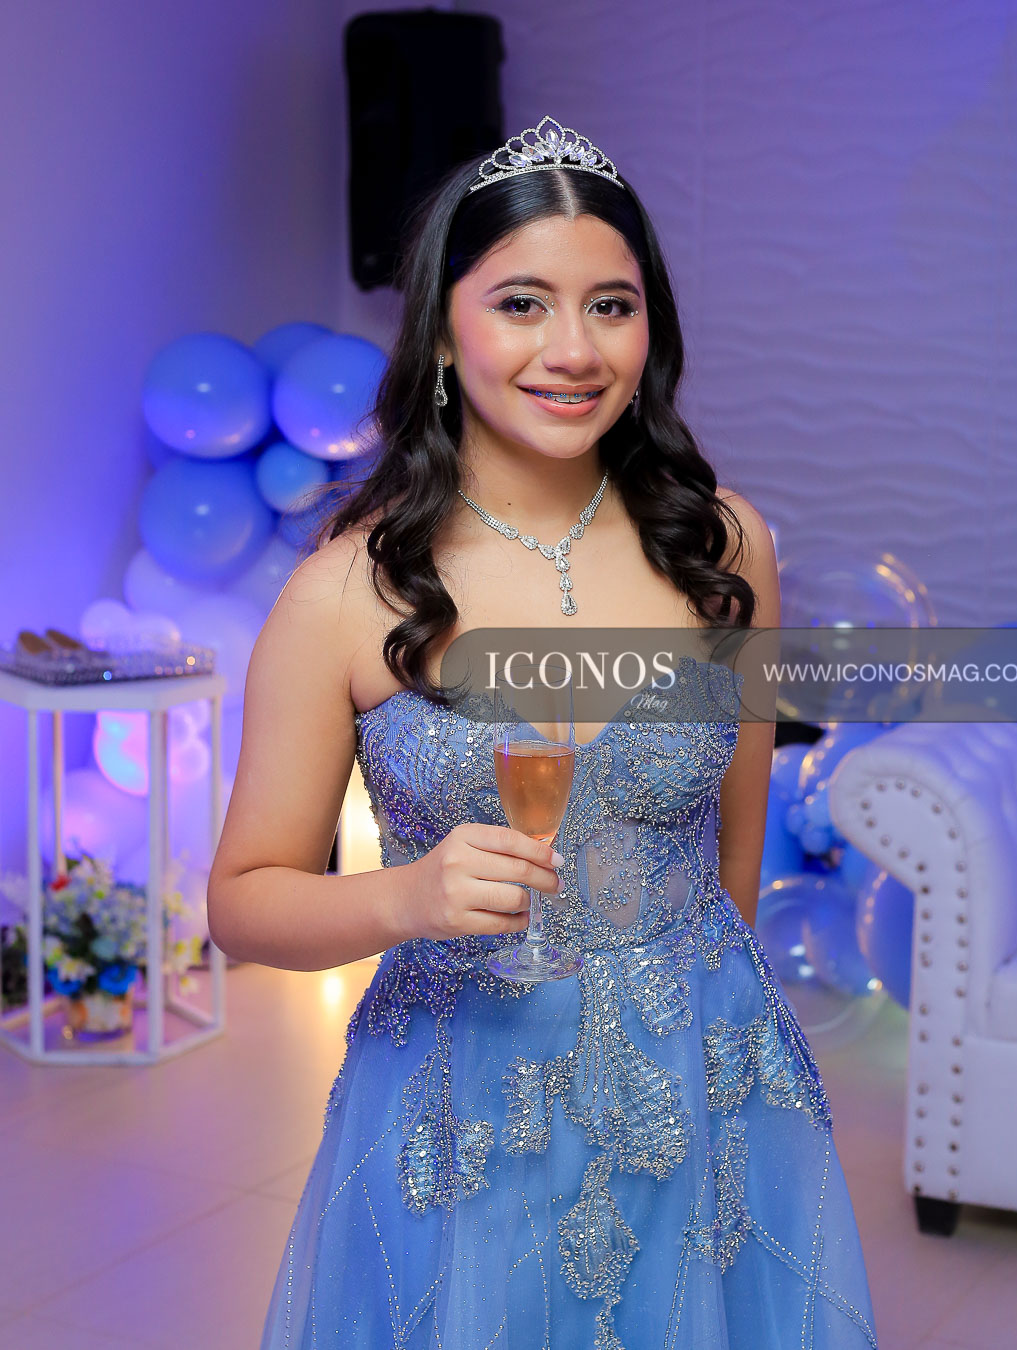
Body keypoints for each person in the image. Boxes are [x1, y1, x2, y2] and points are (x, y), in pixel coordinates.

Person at [208, 116, 878, 1349]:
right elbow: (243, 902)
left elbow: (735, 851)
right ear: (443, 330)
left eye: (611, 307)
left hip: (702, 1085)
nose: (573, 350)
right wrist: (404, 897)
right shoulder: (343, 594)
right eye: (522, 303)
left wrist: (708, 1041)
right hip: (459, 1106)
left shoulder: (725, 548)